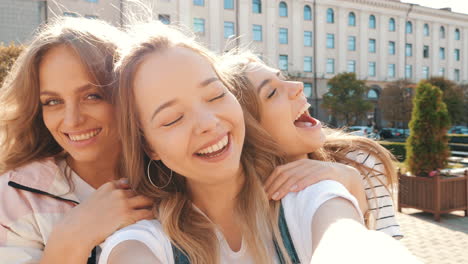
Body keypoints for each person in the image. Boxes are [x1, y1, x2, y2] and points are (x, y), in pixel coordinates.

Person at [96, 22, 401, 264]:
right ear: (149, 147)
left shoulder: (310, 197)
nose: (209, 124)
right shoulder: (142, 242)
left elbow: (347, 242)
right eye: (173, 118)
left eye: (215, 96)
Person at [0, 17, 154, 264]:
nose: (71, 121)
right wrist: (73, 238)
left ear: (128, 93)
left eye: (92, 96)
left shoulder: (173, 173)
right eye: (53, 101)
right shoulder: (15, 196)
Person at [222, 53, 403, 237]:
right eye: (272, 92)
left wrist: (350, 180)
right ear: (249, 131)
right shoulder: (236, 202)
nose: (298, 86)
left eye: (282, 77)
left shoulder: (358, 160)